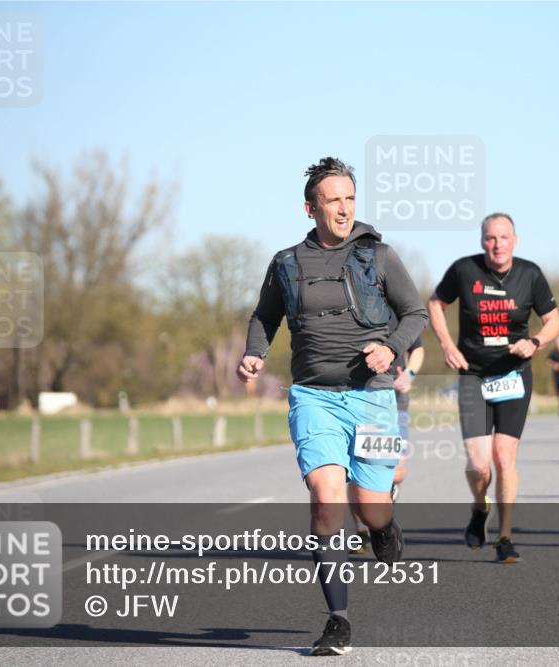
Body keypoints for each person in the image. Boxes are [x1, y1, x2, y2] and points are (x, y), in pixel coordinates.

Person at [237, 157, 427, 655]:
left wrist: (391, 348)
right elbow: (265, 315)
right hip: (313, 397)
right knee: (326, 496)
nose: (343, 209)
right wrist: (255, 353)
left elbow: (415, 312)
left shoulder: (379, 256)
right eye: (333, 200)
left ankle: (385, 529)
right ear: (310, 208)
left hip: (375, 398)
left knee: (371, 506)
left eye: (349, 199)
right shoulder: (285, 263)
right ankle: (337, 619)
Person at [428, 213, 559, 563]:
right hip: (472, 374)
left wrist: (534, 342)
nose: (497, 244)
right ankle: (478, 507)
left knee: (504, 456)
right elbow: (435, 304)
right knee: (478, 466)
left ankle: (505, 537)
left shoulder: (530, 274)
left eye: (504, 237)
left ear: (514, 240)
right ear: (482, 241)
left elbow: (554, 321)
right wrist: (446, 345)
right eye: (490, 238)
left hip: (513, 374)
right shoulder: (463, 270)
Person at [351, 330, 423, 553]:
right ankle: (362, 530)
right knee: (358, 467)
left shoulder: (396, 304)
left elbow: (417, 348)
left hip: (395, 396)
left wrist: (409, 373)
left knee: (397, 471)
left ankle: (380, 515)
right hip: (360, 394)